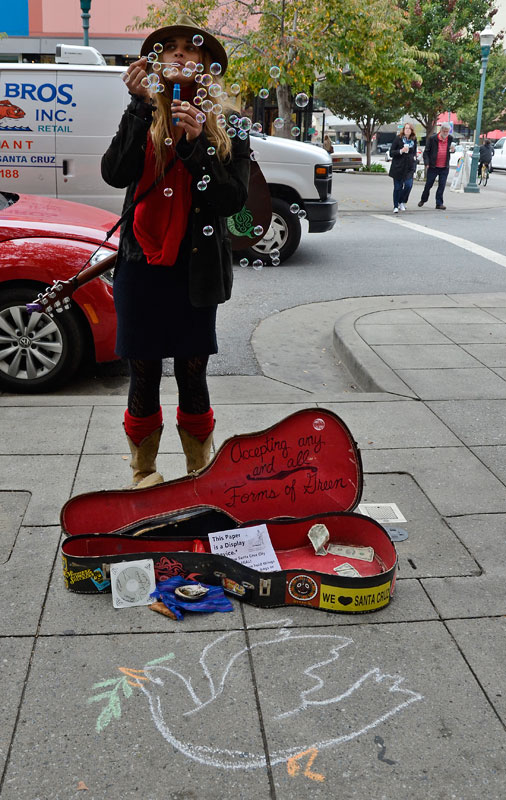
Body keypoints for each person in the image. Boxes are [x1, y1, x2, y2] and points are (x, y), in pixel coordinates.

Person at [101, 14, 250, 488]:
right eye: (169, 47)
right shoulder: (144, 113)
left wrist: (196, 144)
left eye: (191, 46)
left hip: (196, 270)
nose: (180, 52)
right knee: (143, 371)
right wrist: (137, 106)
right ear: (158, 60)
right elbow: (114, 173)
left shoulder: (229, 125)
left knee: (192, 370)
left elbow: (232, 201)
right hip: (141, 267)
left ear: (205, 61)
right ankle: (143, 474)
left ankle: (198, 473)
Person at [418, 121, 455, 210]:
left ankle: (439, 203)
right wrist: (427, 163)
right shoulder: (433, 138)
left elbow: (451, 149)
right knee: (428, 185)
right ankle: (423, 199)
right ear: (441, 130)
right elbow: (426, 152)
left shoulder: (450, 138)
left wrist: (453, 150)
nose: (445, 133)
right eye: (444, 131)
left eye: (447, 131)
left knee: (442, 186)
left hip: (444, 166)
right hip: (433, 166)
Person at [388, 122, 417, 213]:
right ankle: (396, 205)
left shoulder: (413, 139)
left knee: (408, 185)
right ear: (403, 130)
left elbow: (414, 152)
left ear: (411, 130)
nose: (407, 130)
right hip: (398, 167)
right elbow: (391, 153)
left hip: (409, 167)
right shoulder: (398, 139)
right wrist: (401, 151)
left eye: (409, 128)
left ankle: (402, 201)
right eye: (406, 128)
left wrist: (414, 160)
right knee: (398, 187)